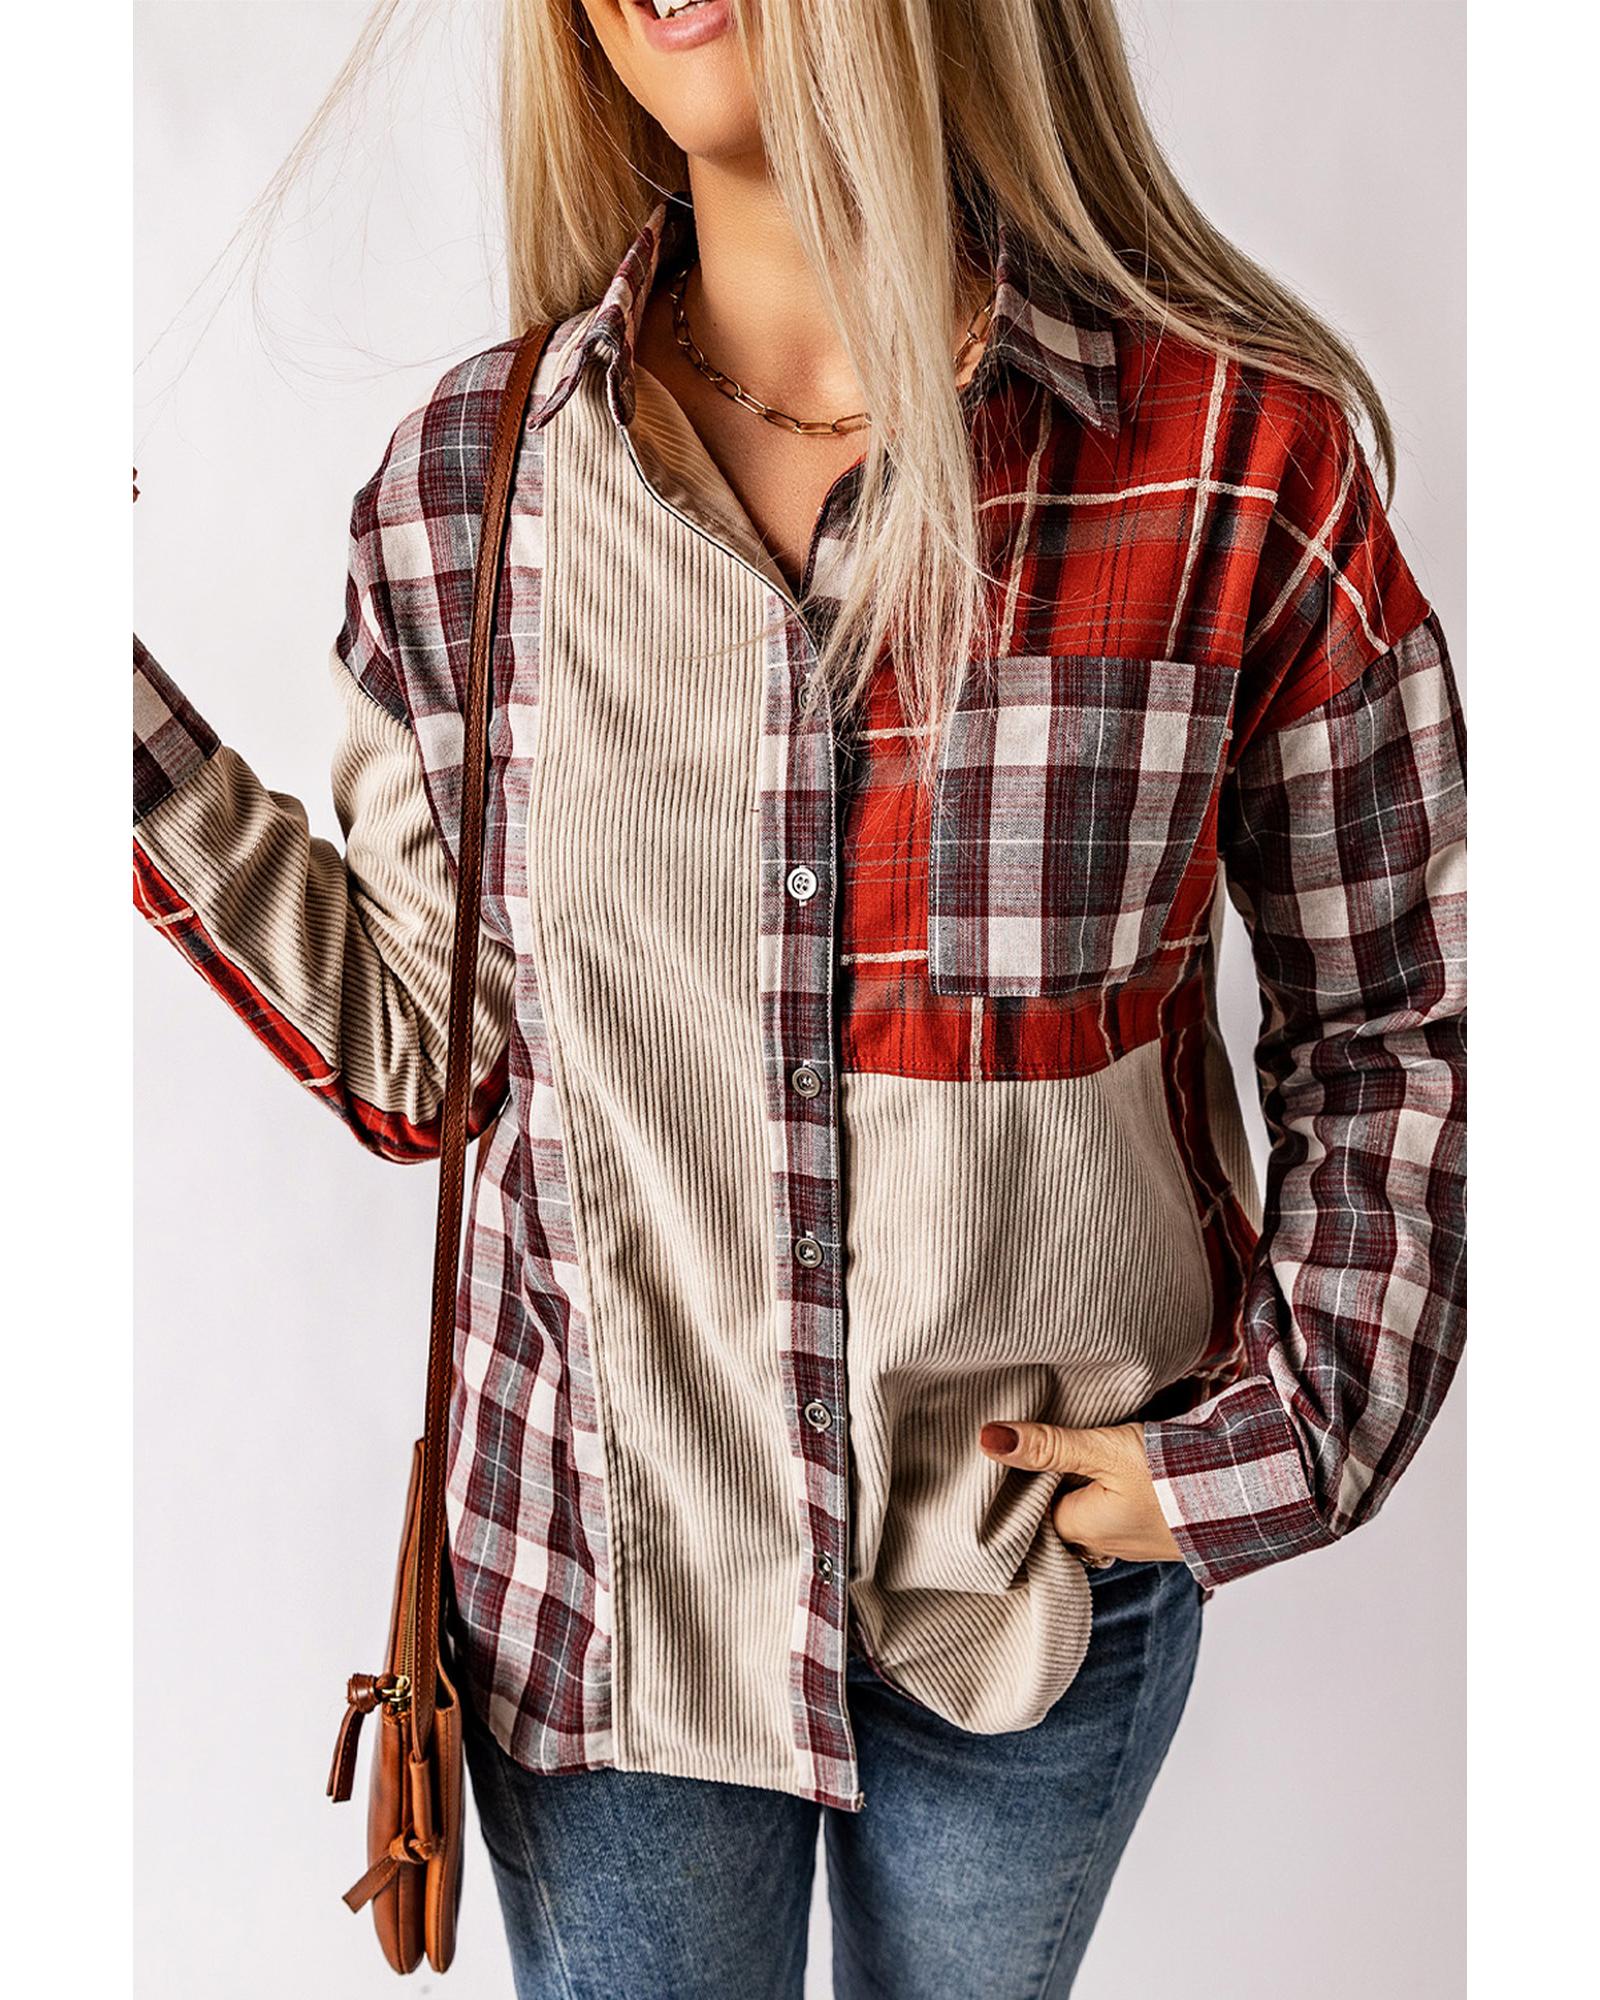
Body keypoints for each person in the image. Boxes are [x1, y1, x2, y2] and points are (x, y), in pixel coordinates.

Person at [131, 2, 1467, 1994]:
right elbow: (432, 1055)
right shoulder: (468, 494)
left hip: (1029, 1600)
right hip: (607, 1603)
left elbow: (1400, 1025)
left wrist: (1252, 1451)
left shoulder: (1225, 469)